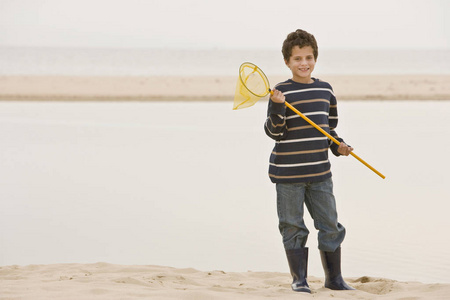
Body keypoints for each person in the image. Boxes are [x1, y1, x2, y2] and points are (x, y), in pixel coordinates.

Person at [264, 29, 355, 293]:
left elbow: (328, 130)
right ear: (287, 62)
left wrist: (339, 147)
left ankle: (334, 279)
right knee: (292, 226)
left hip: (320, 174)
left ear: (315, 58)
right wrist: (278, 106)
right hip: (288, 175)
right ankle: (299, 280)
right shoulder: (280, 91)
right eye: (297, 59)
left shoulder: (325, 89)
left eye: (308, 57)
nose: (303, 63)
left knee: (329, 224)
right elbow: (274, 132)